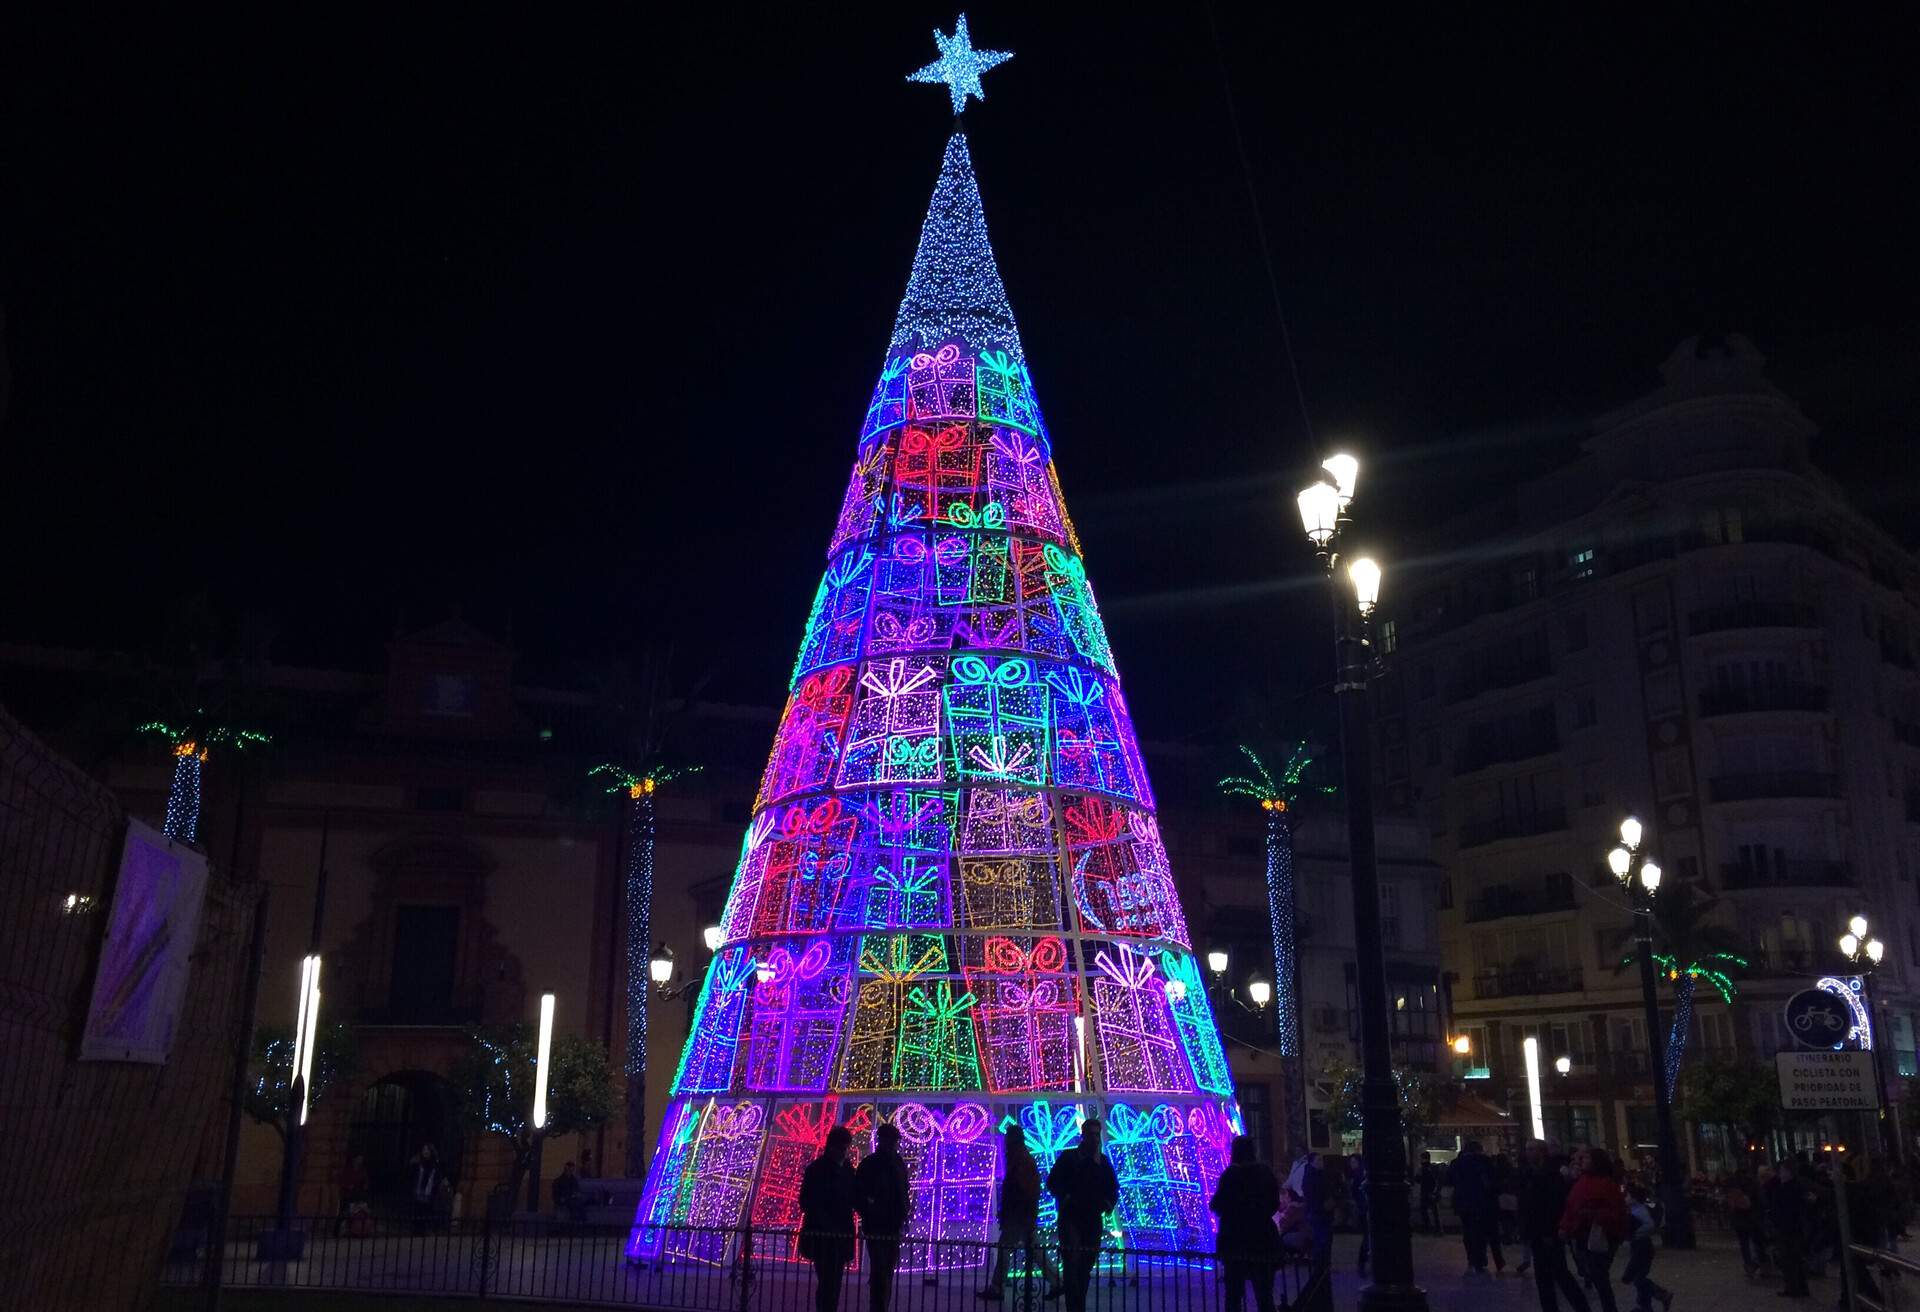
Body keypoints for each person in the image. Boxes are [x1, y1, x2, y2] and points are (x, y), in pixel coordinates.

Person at [980, 1124, 1061, 1302]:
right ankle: (1056, 1281)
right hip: (1022, 1214)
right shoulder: (1021, 1158)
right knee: (1034, 1249)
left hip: (1018, 1215)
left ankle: (997, 1287)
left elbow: (1021, 1189)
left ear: (1013, 1139)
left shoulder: (1020, 1159)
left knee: (1006, 1248)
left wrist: (1013, 1211)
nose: (1005, 1140)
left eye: (1008, 1137)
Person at [1047, 1120, 1119, 1312]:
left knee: (1084, 1264)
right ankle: (1075, 1306)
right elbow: (1053, 1181)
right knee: (1072, 1263)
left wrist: (1108, 1203)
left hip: (1091, 1218)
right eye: (1091, 1135)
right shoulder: (1072, 1158)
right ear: (1084, 1136)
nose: (1095, 1139)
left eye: (1097, 1135)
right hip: (1072, 1217)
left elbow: (1113, 1187)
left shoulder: (1101, 1162)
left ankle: (1077, 1304)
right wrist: (1067, 1197)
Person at [1210, 1135, 1283, 1312]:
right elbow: (1274, 1203)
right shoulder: (1265, 1173)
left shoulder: (1231, 1175)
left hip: (1235, 1239)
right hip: (1263, 1238)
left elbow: (1217, 1204)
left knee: (1233, 1294)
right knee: (1264, 1294)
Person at [1518, 1140, 1589, 1312]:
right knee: (1545, 1276)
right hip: (1536, 1231)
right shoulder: (1531, 1173)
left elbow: (1554, 1205)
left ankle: (1581, 1307)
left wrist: (1551, 1230)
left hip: (1548, 1231)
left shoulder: (1550, 1175)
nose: (1528, 1153)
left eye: (1532, 1149)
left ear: (1542, 1152)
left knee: (1559, 1273)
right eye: (1527, 1149)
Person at [1559, 1147, 1629, 1312]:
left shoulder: (1606, 1184)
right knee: (1597, 1276)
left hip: (1599, 1235)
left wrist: (1591, 1215)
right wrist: (1565, 1226)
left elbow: (1616, 1211)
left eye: (1587, 1158)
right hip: (1584, 1234)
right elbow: (1571, 1207)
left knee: (1600, 1277)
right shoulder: (1583, 1182)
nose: (1582, 1161)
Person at [856, 1123, 914, 1312]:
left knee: (884, 1269)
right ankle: (879, 1306)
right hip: (883, 1222)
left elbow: (902, 1190)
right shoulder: (888, 1163)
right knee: (882, 1269)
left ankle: (880, 1305)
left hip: (887, 1222)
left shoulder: (886, 1163)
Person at [800, 1126, 858, 1312]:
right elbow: (807, 1201)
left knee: (832, 1281)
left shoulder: (838, 1169)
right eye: (842, 1148)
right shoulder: (824, 1170)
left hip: (833, 1233)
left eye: (845, 1148)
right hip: (827, 1234)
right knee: (829, 1281)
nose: (844, 1152)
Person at [1451, 1140, 1506, 1277]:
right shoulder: (1485, 1162)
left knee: (1469, 1232)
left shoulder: (1457, 1164)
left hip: (1464, 1203)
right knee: (1489, 1233)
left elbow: (1450, 1180)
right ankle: (1491, 1260)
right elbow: (1494, 1183)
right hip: (1484, 1202)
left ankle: (1473, 1259)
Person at [1620, 1182, 1672, 1312]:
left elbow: (1650, 1225)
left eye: (1627, 1196)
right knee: (1639, 1277)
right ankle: (1645, 1306)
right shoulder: (1637, 1210)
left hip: (1642, 1246)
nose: (1625, 1198)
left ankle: (1660, 1295)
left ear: (1634, 1198)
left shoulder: (1639, 1211)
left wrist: (1636, 1233)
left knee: (1639, 1278)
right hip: (1642, 1245)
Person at [1768, 1159, 1811, 1298]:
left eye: (1782, 1171)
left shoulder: (1787, 1189)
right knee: (1794, 1259)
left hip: (1788, 1228)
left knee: (1790, 1259)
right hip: (1792, 1227)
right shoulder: (1792, 1187)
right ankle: (1798, 1286)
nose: (1780, 1174)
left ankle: (1794, 1287)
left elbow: (1786, 1210)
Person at [1725, 1171, 1765, 1277]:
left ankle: (1750, 1265)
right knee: (1754, 1242)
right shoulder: (1753, 1188)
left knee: (1745, 1244)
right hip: (1750, 1218)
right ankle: (1758, 1264)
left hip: (1741, 1219)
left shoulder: (1735, 1189)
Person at [335, 1154, 370, 1237]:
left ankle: (357, 1230)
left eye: (361, 1159)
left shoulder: (362, 1170)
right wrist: (347, 1186)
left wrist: (364, 1185)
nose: (360, 1160)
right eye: (358, 1158)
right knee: (344, 1212)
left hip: (358, 1193)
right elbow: (341, 1179)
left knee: (358, 1211)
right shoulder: (347, 1169)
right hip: (347, 1194)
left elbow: (365, 1180)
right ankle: (338, 1231)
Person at [410, 1144, 441, 1233]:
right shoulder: (418, 1163)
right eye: (424, 1149)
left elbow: (437, 1178)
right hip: (418, 1191)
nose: (426, 1151)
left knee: (425, 1213)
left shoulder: (435, 1165)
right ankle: (416, 1229)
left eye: (427, 1150)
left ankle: (424, 1229)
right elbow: (412, 1175)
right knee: (417, 1212)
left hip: (428, 1193)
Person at [1349, 1153, 1371, 1274]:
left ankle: (1362, 1263)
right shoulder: (1361, 1173)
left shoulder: (1358, 1175)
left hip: (1364, 1209)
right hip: (1364, 1208)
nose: (1351, 1165)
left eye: (1353, 1162)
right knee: (1367, 1237)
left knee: (1367, 1237)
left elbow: (1356, 1193)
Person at [1418, 1153, 1444, 1233]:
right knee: (1434, 1212)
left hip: (1426, 1192)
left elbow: (1418, 1179)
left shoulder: (1424, 1169)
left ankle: (1428, 1228)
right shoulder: (1432, 1168)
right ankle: (1437, 1229)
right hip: (1431, 1192)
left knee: (1425, 1211)